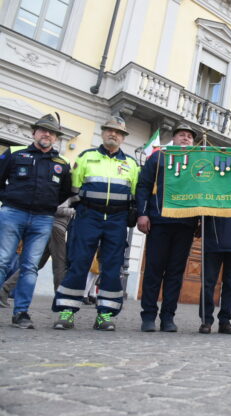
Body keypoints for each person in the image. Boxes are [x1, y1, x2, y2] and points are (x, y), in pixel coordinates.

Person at [53, 116, 140, 331]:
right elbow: (73, 189)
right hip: (88, 216)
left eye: (118, 133)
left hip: (117, 220)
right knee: (78, 262)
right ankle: (67, 311)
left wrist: (134, 213)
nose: (114, 134)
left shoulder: (131, 163)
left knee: (111, 267)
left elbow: (136, 194)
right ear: (103, 133)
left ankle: (105, 315)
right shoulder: (86, 156)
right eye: (110, 130)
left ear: (123, 138)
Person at [0, 114, 72, 329]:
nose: (47, 134)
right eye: (42, 130)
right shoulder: (14, 153)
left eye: (51, 132)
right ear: (34, 132)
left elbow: (64, 192)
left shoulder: (62, 163)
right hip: (13, 213)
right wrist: (8, 200)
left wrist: (47, 206)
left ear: (56, 138)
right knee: (3, 261)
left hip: (43, 219)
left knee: (30, 267)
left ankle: (21, 312)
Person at [135, 123, 198, 332]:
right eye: (182, 135)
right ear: (174, 138)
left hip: (185, 223)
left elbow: (204, 192)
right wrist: (142, 213)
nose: (186, 139)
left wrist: (199, 221)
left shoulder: (198, 162)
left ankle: (168, 317)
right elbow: (143, 185)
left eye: (190, 136)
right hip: (160, 220)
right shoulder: (159, 156)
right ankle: (148, 316)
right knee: (154, 270)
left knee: (175, 273)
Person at [199, 188, 231, 335]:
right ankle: (206, 320)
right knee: (208, 283)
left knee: (230, 286)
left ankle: (225, 321)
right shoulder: (212, 190)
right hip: (213, 244)